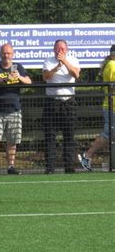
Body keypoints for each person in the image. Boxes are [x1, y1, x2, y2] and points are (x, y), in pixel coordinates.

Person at [0, 43, 32, 175]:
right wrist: (4, 79)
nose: (6, 55)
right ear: (0, 54)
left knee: (12, 141)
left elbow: (29, 81)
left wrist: (20, 78)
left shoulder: (18, 67)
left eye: (8, 53)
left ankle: (11, 166)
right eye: (4, 53)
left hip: (14, 108)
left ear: (12, 54)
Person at [42, 39, 80, 174]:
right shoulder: (48, 61)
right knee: (50, 136)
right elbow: (45, 77)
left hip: (68, 103)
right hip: (52, 103)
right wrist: (56, 67)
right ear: (54, 50)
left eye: (62, 49)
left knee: (69, 136)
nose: (60, 51)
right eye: (58, 49)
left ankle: (69, 167)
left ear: (67, 49)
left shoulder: (73, 60)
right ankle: (50, 168)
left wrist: (65, 62)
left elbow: (76, 74)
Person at [78, 45, 115, 171]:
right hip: (112, 106)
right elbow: (112, 86)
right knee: (108, 133)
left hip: (112, 105)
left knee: (109, 134)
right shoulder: (112, 65)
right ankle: (87, 155)